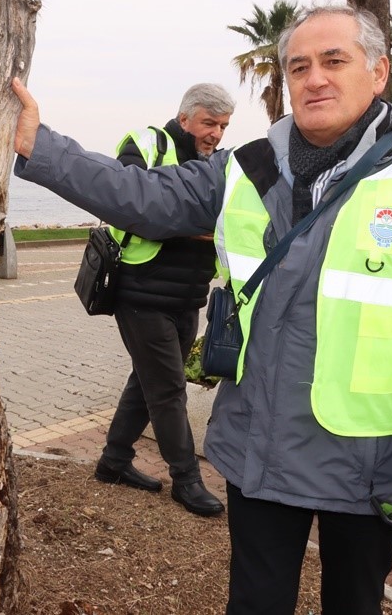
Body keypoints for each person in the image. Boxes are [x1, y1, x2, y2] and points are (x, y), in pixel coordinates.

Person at [11, 3, 392, 615]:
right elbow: (145, 197)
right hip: (260, 449)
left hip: (372, 461)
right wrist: (40, 146)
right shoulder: (247, 166)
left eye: (333, 61)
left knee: (354, 604)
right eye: (298, 66)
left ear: (378, 73)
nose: (314, 78)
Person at [94, 84, 233, 517]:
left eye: (224, 126)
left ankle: (114, 461)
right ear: (186, 117)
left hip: (187, 296)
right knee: (169, 388)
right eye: (210, 123)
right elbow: (133, 208)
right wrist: (204, 226)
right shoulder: (148, 145)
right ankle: (186, 479)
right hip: (141, 293)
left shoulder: (218, 165)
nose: (216, 134)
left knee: (148, 379)